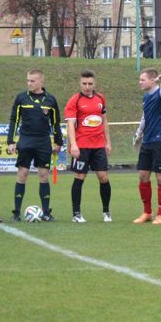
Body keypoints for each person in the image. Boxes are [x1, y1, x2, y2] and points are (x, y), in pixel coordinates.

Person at [7, 70, 63, 222]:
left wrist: (59, 142)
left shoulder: (50, 100)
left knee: (44, 176)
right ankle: (16, 213)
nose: (29, 83)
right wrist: (11, 141)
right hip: (25, 141)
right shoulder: (22, 98)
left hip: (43, 142)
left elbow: (56, 123)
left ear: (40, 82)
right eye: (28, 80)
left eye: (32, 81)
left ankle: (46, 212)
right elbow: (14, 120)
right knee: (22, 175)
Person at [64, 70, 112, 223]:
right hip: (82, 145)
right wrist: (74, 145)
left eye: (90, 83)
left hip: (98, 145)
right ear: (80, 83)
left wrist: (108, 142)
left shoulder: (100, 99)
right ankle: (76, 214)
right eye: (84, 83)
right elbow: (70, 125)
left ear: (94, 84)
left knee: (103, 177)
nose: (87, 86)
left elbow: (104, 121)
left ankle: (106, 212)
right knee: (80, 177)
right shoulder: (74, 100)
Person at [133, 68, 161, 225]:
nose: (140, 82)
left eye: (143, 80)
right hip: (147, 141)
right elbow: (145, 116)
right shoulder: (145, 96)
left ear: (152, 80)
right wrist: (138, 133)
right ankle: (147, 212)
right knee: (143, 175)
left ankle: (160, 215)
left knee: (160, 177)